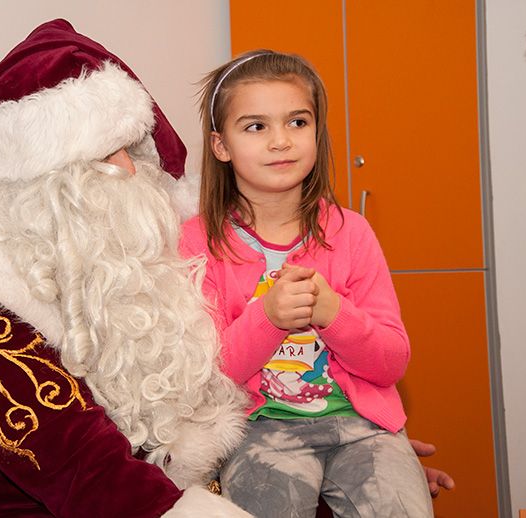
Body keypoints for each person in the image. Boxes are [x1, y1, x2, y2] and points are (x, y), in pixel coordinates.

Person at [0, 19, 252, 517]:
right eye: (111, 156)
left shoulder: (86, 272)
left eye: (133, 151)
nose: (134, 172)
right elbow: (86, 475)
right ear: (45, 189)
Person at [179, 49, 435, 517]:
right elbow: (204, 379)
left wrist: (334, 314)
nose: (281, 141)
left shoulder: (351, 231)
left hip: (364, 425)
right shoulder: (196, 243)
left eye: (297, 122)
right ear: (221, 146)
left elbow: (391, 363)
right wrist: (268, 318)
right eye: (256, 126)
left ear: (317, 131)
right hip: (260, 429)